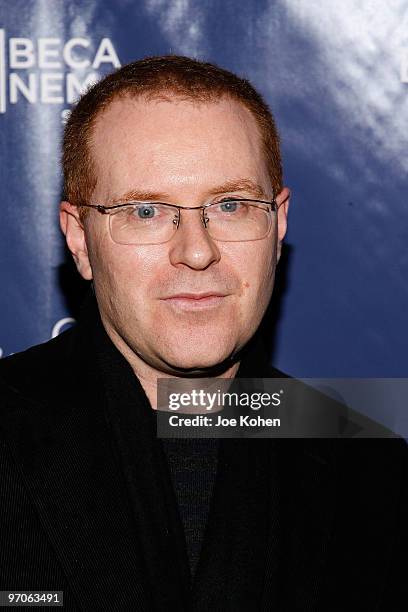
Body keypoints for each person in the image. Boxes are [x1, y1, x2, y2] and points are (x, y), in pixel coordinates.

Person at [0, 55, 406, 611]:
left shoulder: (372, 472)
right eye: (145, 211)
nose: (196, 251)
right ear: (78, 238)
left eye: (232, 205)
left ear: (278, 223)